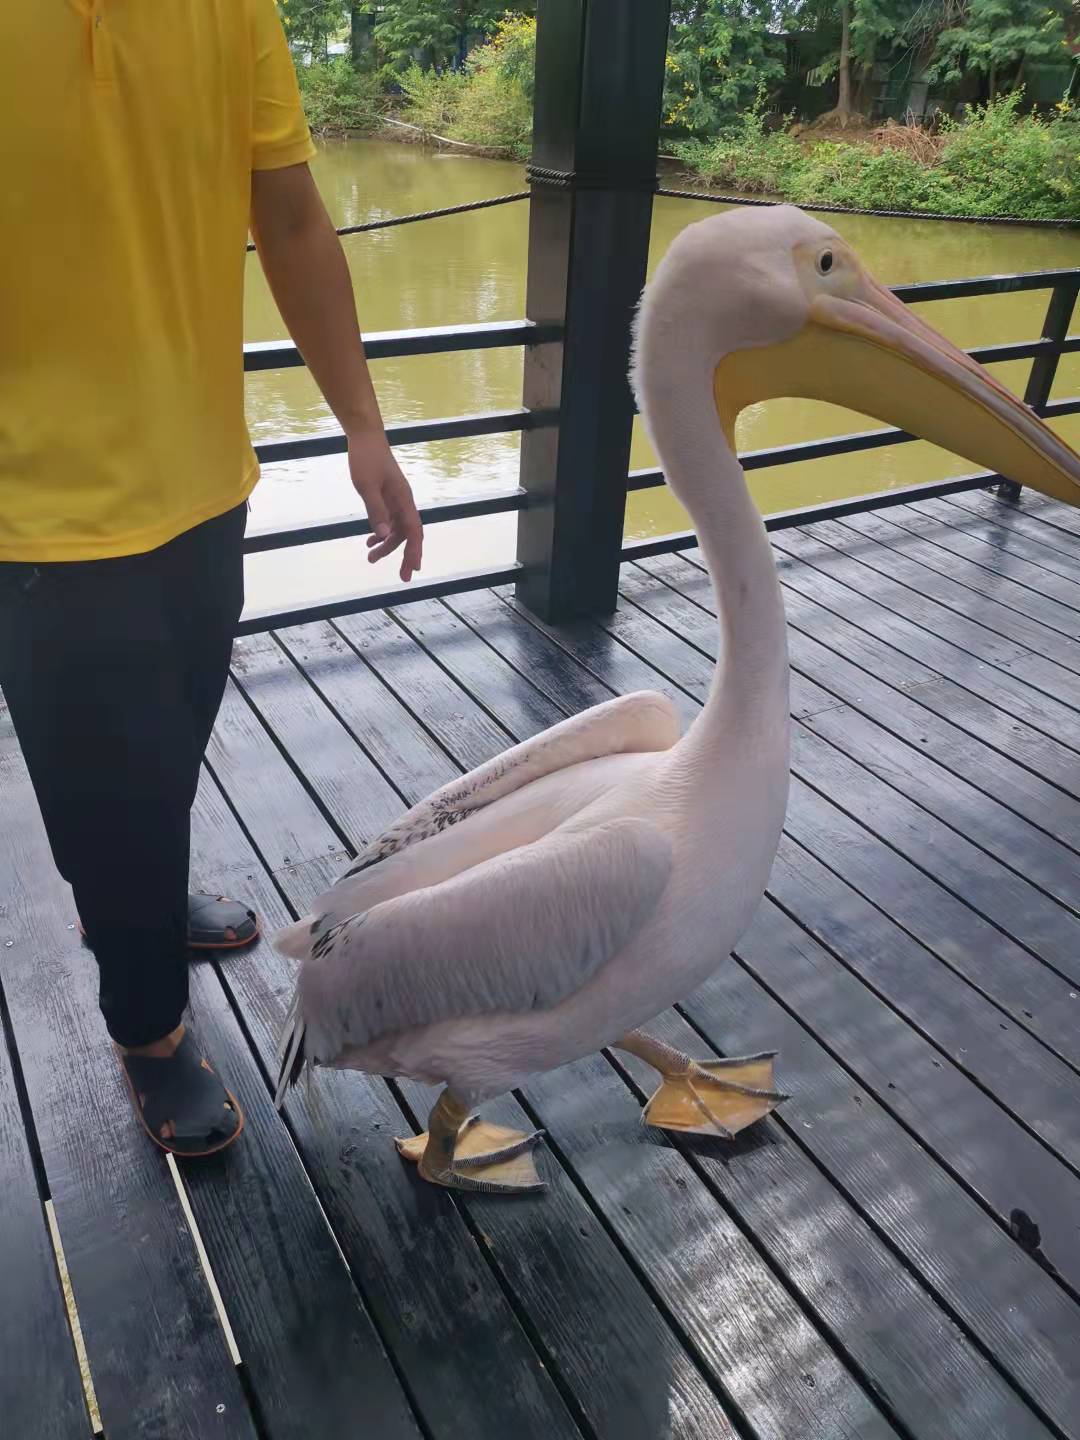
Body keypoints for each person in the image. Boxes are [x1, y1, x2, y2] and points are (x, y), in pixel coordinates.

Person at [0, 2, 422, 1155]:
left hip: (204, 479)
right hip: (38, 511)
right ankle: (147, 1030)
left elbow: (286, 215)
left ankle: (134, 894)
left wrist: (365, 427)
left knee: (171, 737)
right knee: (111, 781)